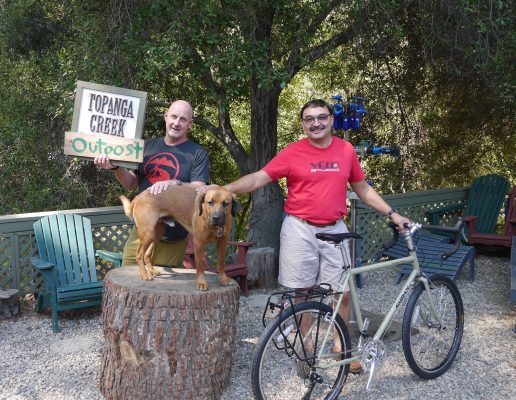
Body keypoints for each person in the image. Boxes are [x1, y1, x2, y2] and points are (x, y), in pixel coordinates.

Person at [216, 98, 410, 372]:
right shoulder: (293, 152)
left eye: (321, 117)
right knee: (301, 294)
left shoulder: (346, 150)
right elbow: (259, 178)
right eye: (309, 118)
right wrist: (224, 190)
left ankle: (341, 346)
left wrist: (392, 213)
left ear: (331, 120)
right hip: (299, 228)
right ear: (303, 124)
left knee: (341, 293)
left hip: (335, 228)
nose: (316, 122)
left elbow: (363, 189)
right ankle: (305, 348)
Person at [94, 100, 210, 267]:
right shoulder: (147, 147)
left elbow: (199, 188)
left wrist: (174, 183)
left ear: (190, 124)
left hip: (172, 238)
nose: (176, 123)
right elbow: (131, 184)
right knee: (129, 285)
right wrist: (116, 167)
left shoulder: (198, 153)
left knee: (163, 291)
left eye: (183, 119)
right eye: (174, 117)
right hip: (140, 234)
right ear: (165, 117)